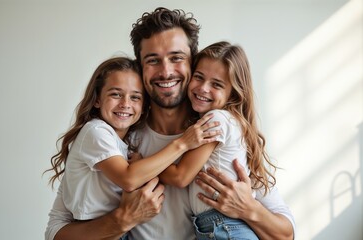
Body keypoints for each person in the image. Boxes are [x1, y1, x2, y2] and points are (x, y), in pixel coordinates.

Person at [45, 7, 295, 240]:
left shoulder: (216, 134)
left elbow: (286, 233)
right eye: (153, 60)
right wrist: (120, 220)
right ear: (140, 67)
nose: (166, 71)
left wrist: (249, 209)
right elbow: (56, 230)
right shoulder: (119, 141)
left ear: (192, 62)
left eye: (176, 58)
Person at [45, 56, 220, 238]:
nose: (125, 104)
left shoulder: (124, 145)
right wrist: (183, 143)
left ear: (144, 106)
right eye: (115, 94)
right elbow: (128, 178)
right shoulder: (95, 131)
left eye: (135, 97)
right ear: (97, 99)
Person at [158, 41, 281, 239]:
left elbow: (180, 177)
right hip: (218, 228)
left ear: (233, 92)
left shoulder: (216, 120)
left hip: (225, 228)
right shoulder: (228, 122)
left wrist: (141, 163)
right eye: (199, 77)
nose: (203, 88)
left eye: (216, 84)